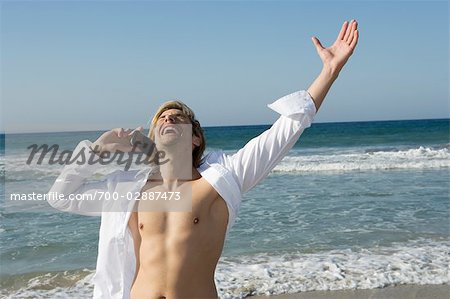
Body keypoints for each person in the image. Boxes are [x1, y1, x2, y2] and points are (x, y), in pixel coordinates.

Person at [48, 20, 359, 299]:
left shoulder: (223, 178)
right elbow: (61, 197)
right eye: (162, 119)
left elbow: (284, 130)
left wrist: (329, 71)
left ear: (195, 137)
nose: (168, 119)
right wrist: (97, 151)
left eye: (178, 118)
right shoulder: (129, 189)